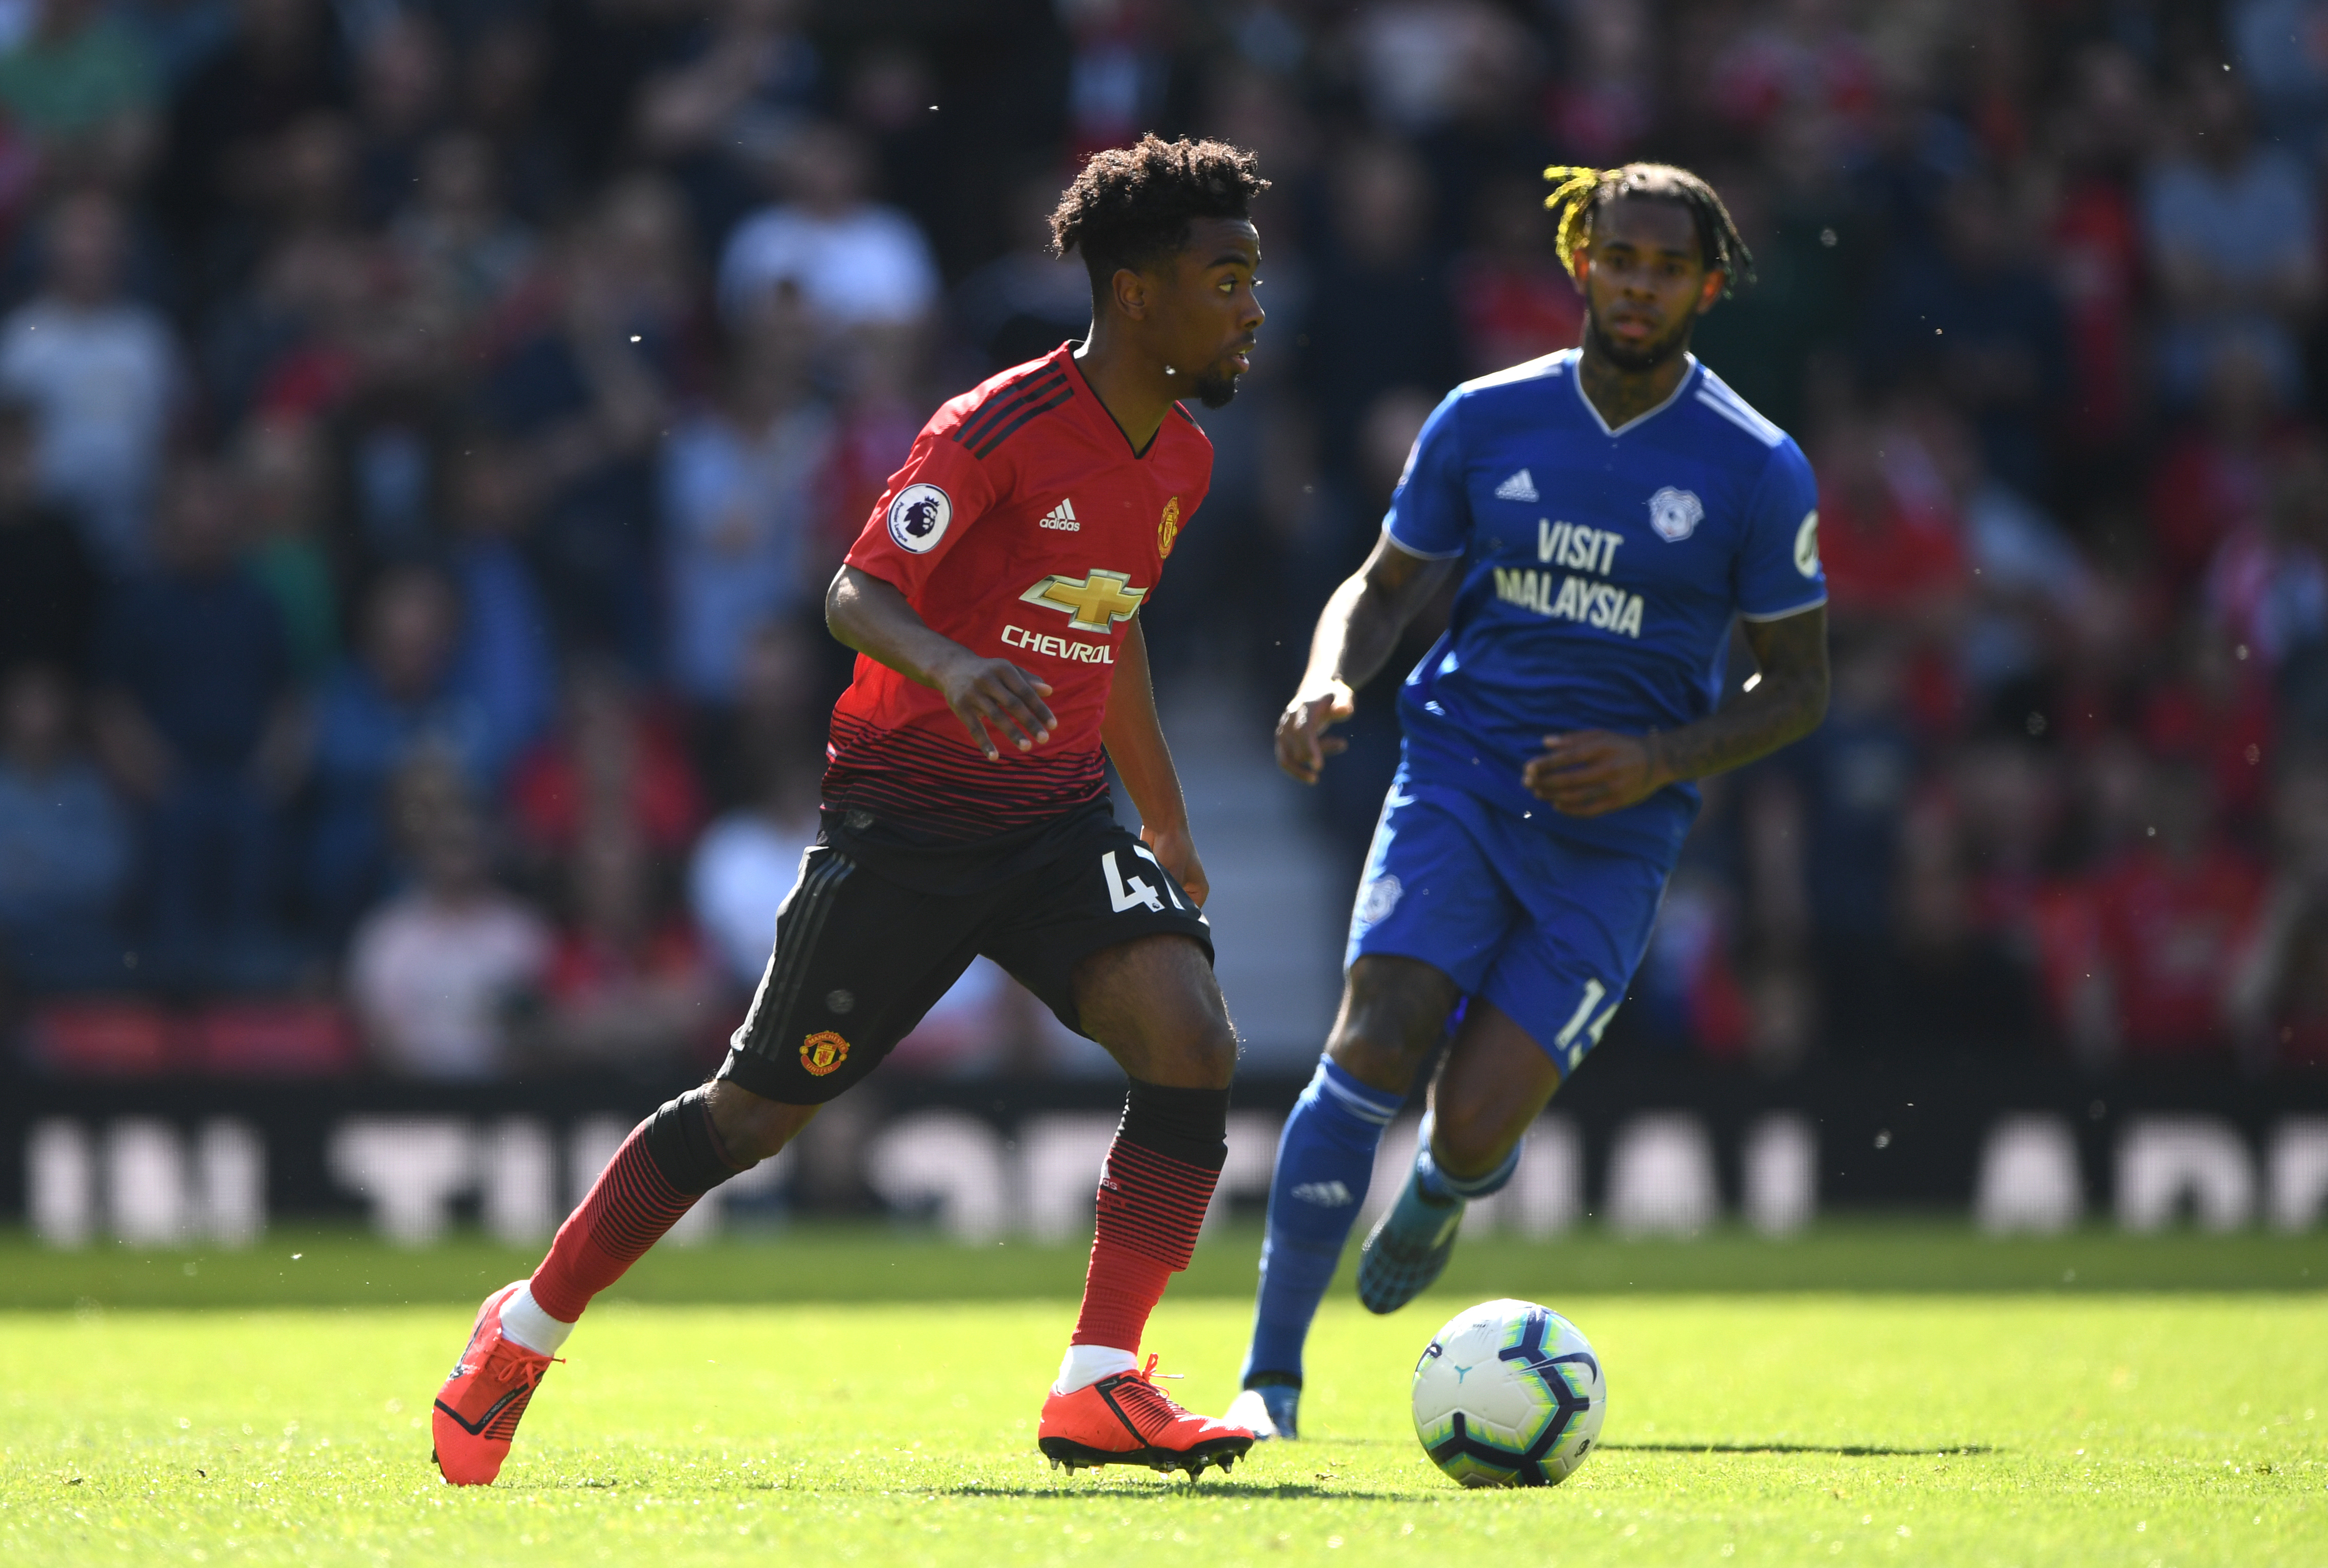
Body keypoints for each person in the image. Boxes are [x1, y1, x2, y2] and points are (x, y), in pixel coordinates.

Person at [430, 135, 1269, 1487]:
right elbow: (851, 594)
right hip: (906, 829)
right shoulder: (992, 428)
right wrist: (951, 661)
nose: (1252, 307)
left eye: (1253, 279)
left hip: (1057, 823)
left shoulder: (1182, 460)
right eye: (1225, 277)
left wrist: (1163, 821)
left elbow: (1109, 632)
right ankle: (520, 1333)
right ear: (1135, 290)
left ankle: (1101, 1382)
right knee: (752, 1119)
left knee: (1192, 1039)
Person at [1224, 163, 1831, 1442]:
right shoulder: (1483, 419)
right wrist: (1331, 678)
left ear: (1706, 288)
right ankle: (1268, 1383)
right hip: (1459, 769)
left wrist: (1663, 762)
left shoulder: (1757, 468)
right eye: (1619, 257)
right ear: (1582, 261)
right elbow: (1386, 587)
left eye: (1666, 268)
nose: (1638, 284)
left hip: (1618, 831)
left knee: (1476, 1115)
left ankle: (1446, 1187)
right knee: (1378, 1030)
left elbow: (1800, 688)